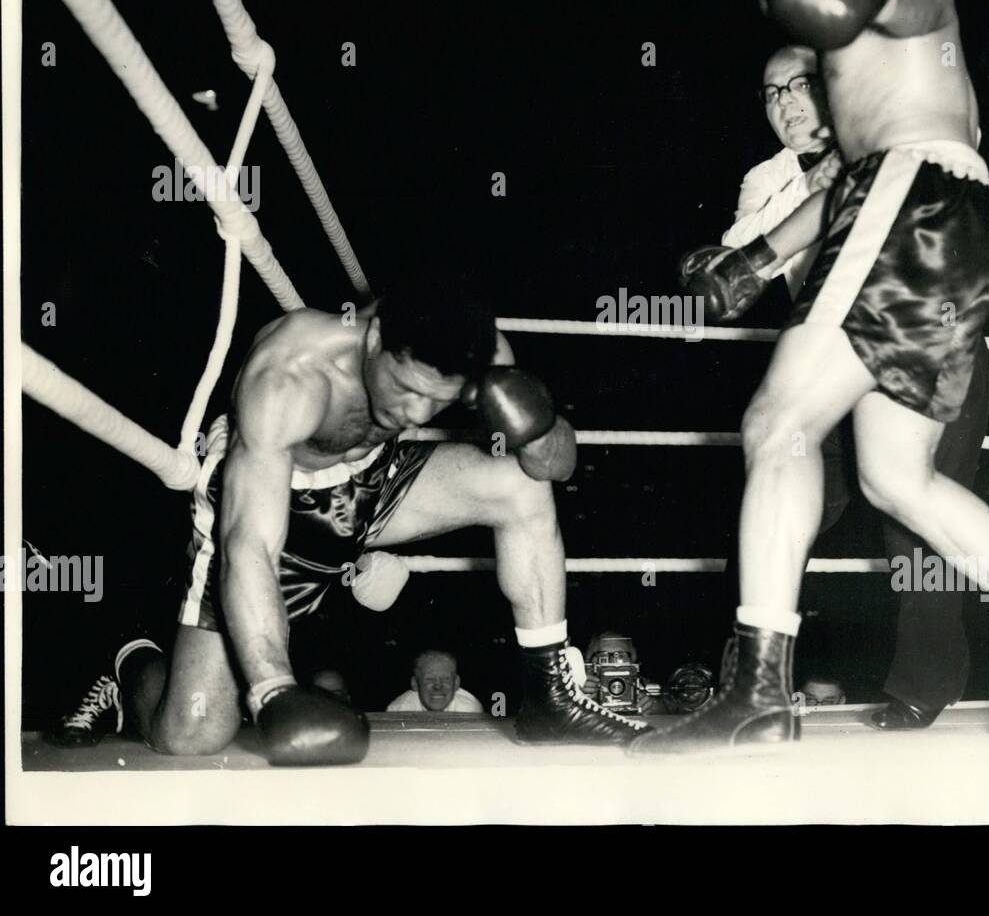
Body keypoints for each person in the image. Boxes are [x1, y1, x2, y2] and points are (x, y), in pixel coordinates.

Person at [635, 0, 989, 754]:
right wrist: (755, 259)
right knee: (895, 477)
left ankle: (757, 690)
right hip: (948, 216)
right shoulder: (865, 62)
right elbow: (842, 183)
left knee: (778, 424)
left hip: (910, 196)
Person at [52, 282, 645, 765]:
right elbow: (249, 546)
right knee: (192, 734)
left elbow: (558, 468)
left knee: (519, 484)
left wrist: (537, 426)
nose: (417, 413)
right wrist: (273, 690)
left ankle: (547, 695)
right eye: (408, 388)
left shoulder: (482, 353)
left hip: (376, 483)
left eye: (439, 400)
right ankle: (129, 665)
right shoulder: (292, 373)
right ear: (376, 335)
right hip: (275, 503)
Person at [720, 43, 989, 730]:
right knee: (773, 496)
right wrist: (817, 188)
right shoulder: (766, 178)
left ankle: (924, 685)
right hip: (822, 359)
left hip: (922, 336)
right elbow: (736, 265)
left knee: (916, 520)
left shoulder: (890, 139)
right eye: (769, 93)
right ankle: (751, 677)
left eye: (796, 86)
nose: (783, 104)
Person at [387, 649, 484, 713]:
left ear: (456, 683)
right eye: (429, 679)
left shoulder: (470, 710)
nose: (438, 686)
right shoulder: (399, 710)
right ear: (415, 683)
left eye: (446, 679)